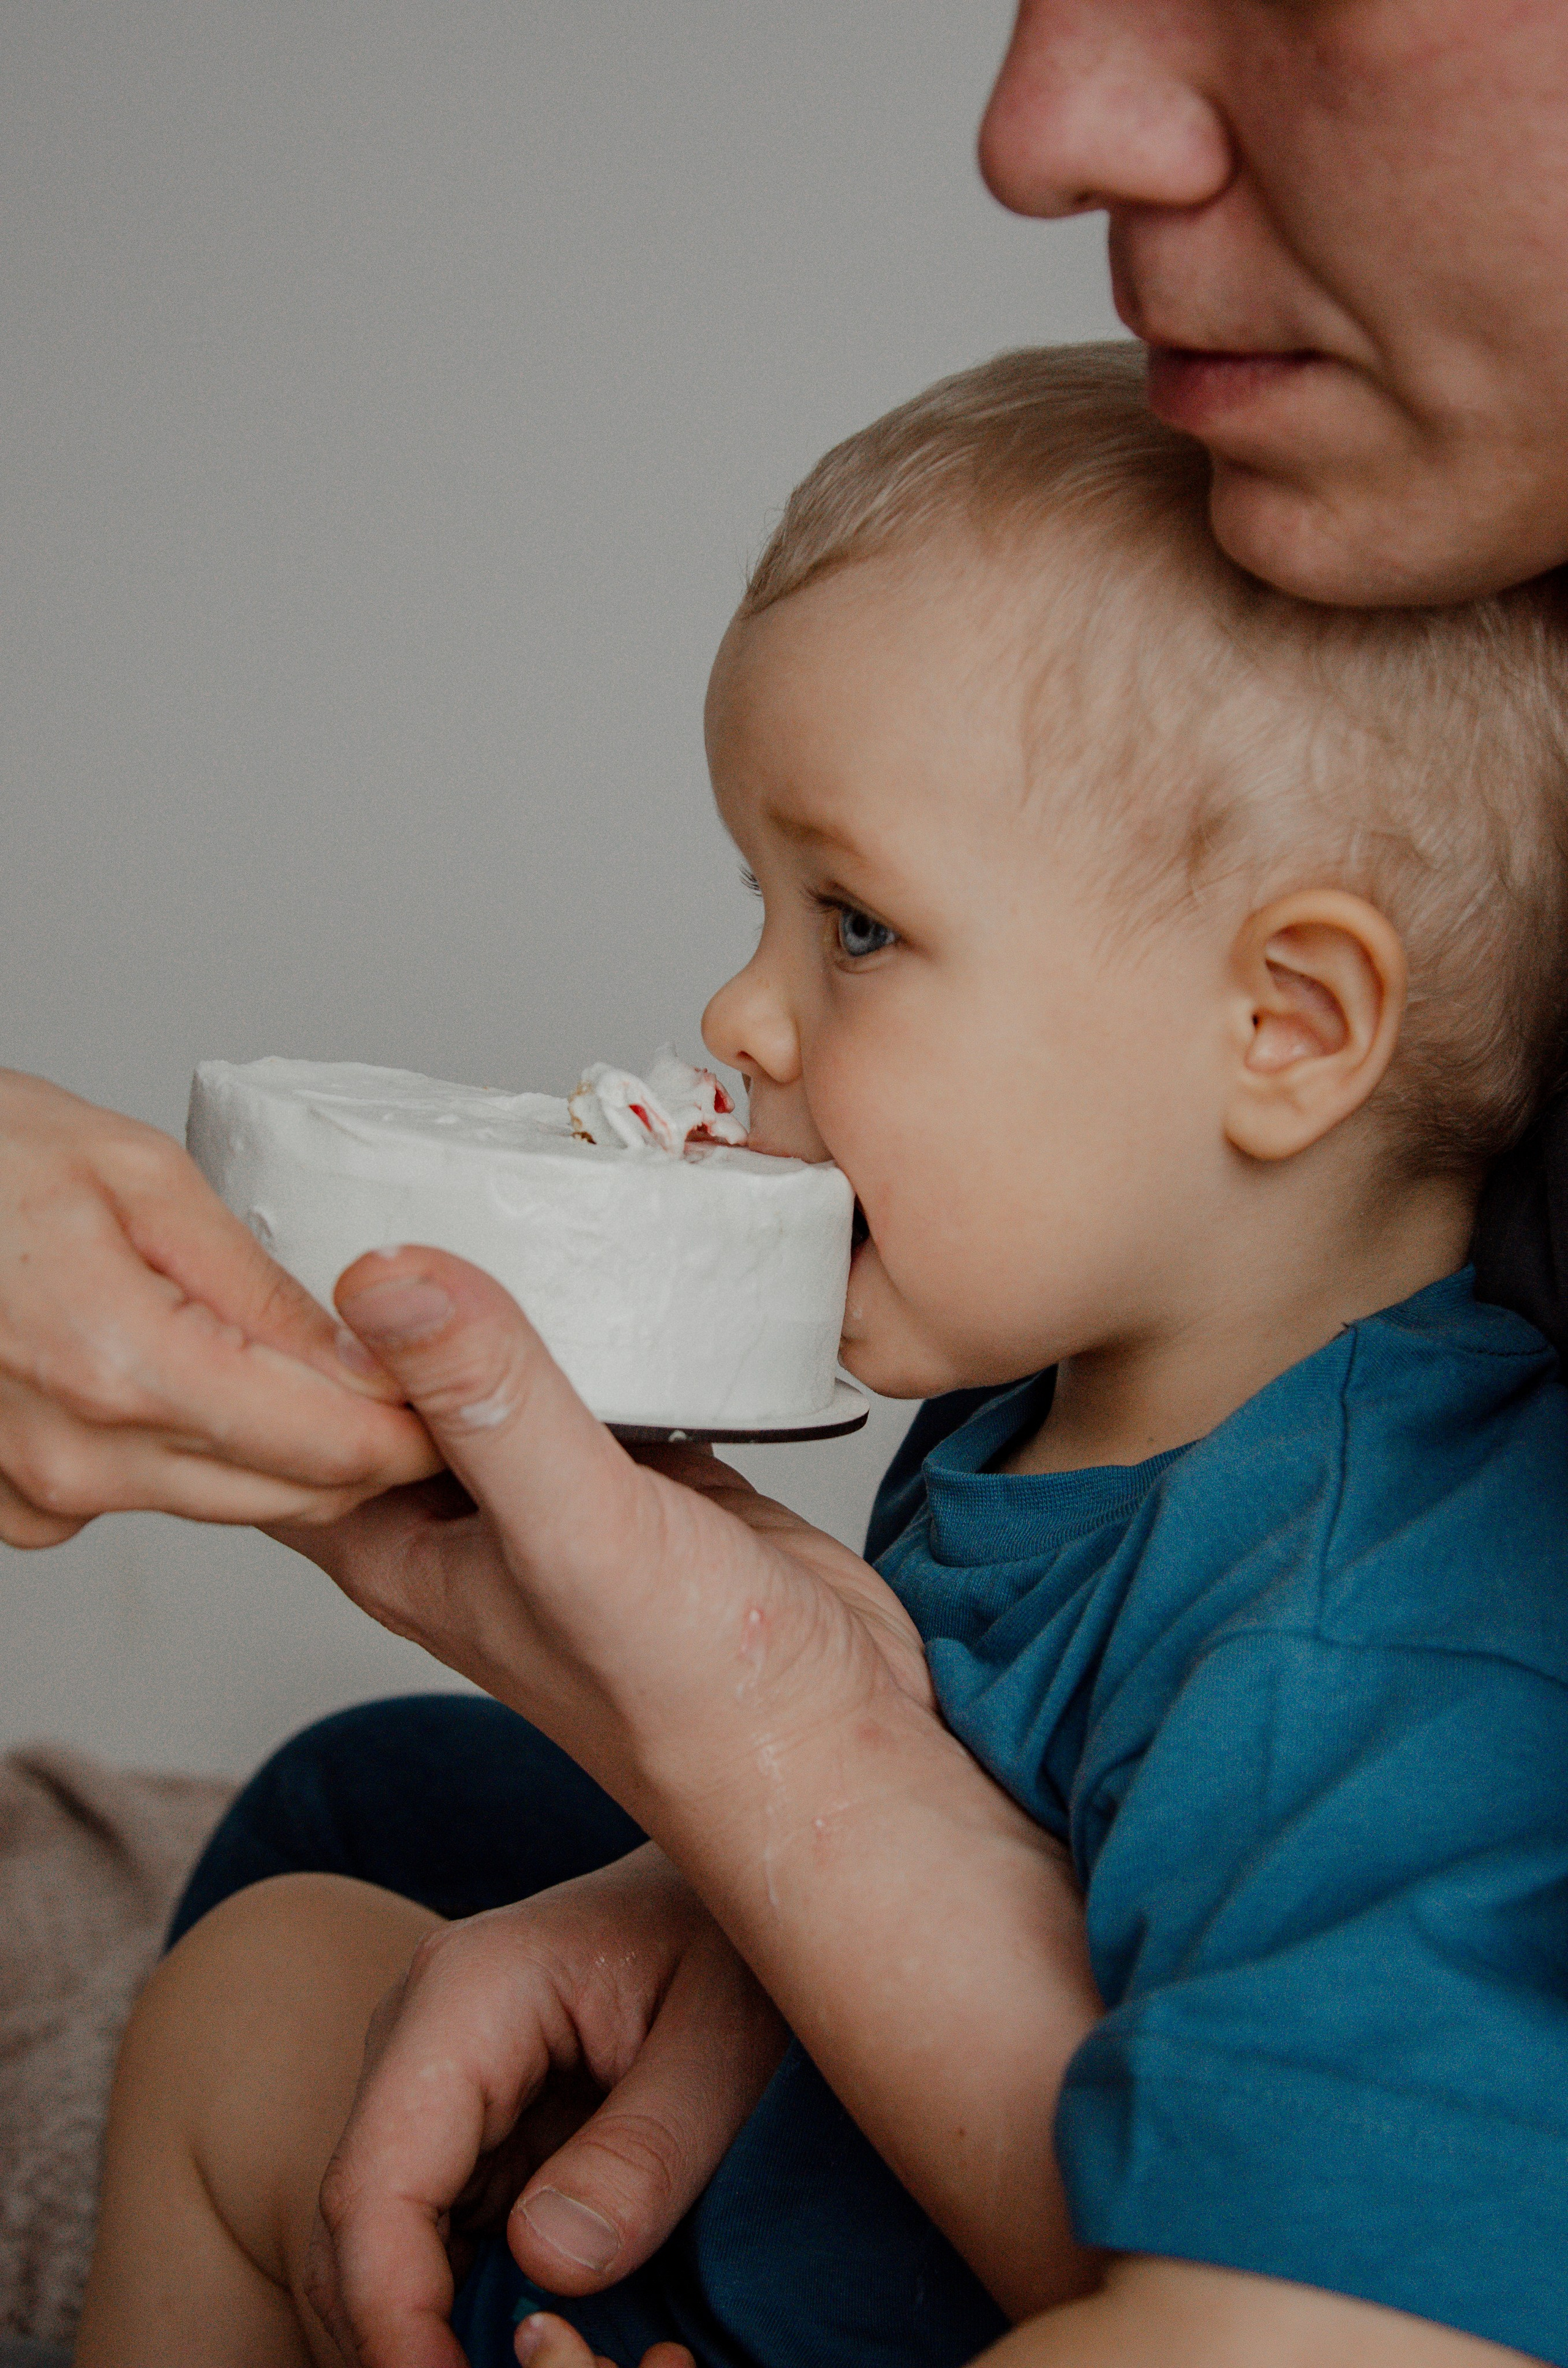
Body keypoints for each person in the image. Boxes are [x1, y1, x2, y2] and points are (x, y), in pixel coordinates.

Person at [5, 0, 1568, 2355]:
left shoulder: (1383, 1639)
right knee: (307, 1916)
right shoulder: (1051, 1386)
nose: (739, 1021)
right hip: (832, 2181)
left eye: (852, 926)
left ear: (1287, 1031)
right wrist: (710, 1844)